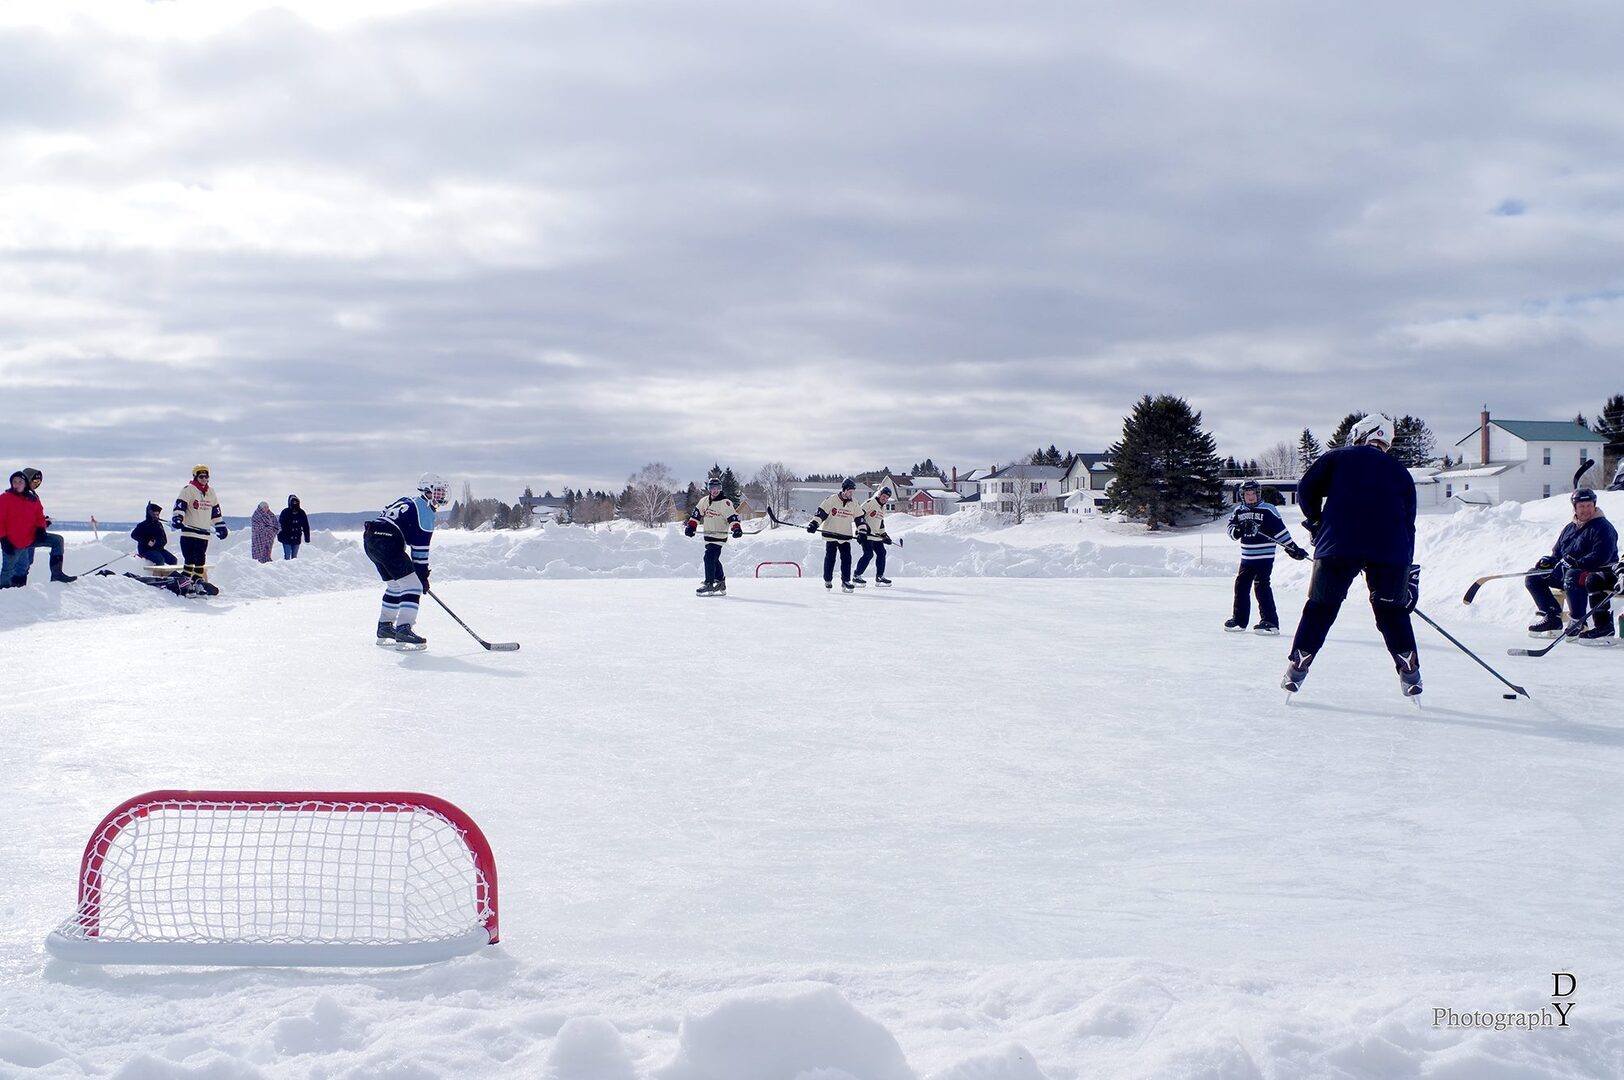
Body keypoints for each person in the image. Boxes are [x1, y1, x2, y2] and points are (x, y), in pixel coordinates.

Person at [1282, 414, 1422, 697]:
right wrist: (1409, 571)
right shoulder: (1401, 472)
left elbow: (1306, 488)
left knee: (1321, 607)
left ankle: (1299, 664)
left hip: (1339, 544)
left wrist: (1316, 521)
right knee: (1391, 612)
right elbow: (1409, 523)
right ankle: (1410, 672)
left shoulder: (1339, 456)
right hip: (1391, 550)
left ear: (1362, 434)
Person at [1524, 488, 1619, 645]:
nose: (1586, 510)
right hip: (1569, 572)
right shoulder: (1569, 528)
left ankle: (1578, 621)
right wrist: (1549, 562)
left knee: (1573, 575)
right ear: (1575, 507)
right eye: (1582, 506)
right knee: (1533, 577)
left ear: (1594, 505)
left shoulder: (1603, 527)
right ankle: (1552, 617)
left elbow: (1602, 556)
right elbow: (1558, 553)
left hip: (1595, 574)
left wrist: (1576, 563)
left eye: (1589, 505)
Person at [363, 473, 446, 647]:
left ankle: (385, 627)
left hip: (371, 538)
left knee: (395, 585)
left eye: (443, 491)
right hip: (387, 540)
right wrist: (422, 577)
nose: (442, 495)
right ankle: (403, 629)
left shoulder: (407, 500)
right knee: (413, 586)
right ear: (427, 490)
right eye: (438, 491)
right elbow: (420, 549)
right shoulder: (425, 511)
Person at [1224, 479, 1307, 633]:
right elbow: (1230, 530)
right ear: (1242, 496)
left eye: (1253, 494)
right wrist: (1239, 530)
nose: (1250, 497)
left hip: (1264, 558)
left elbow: (1280, 531)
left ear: (1258, 494)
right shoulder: (1239, 511)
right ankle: (1239, 620)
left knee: (1261, 586)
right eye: (1247, 494)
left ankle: (1270, 622)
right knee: (1241, 587)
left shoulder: (1268, 510)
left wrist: (1292, 547)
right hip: (1247, 559)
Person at [12, 468, 76, 584]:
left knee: (57, 541)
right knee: (22, 566)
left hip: (31, 535)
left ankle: (57, 574)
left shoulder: (34, 497)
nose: (37, 484)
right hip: (18, 538)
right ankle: (14, 589)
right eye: (34, 481)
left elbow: (37, 516)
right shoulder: (15, 497)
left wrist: (43, 524)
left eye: (39, 482)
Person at [685, 475, 741, 596]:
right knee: (714, 559)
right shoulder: (704, 501)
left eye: (717, 488)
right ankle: (720, 582)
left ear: (720, 489)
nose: (715, 491)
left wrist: (736, 528)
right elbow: (696, 515)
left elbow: (733, 517)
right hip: (709, 537)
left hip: (719, 536)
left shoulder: (725, 503)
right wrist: (691, 527)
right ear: (709, 489)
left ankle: (709, 583)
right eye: (712, 488)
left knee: (708, 557)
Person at [171, 465, 226, 582]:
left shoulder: (211, 492)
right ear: (195, 477)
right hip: (189, 533)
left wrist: (220, 525)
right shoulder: (189, 489)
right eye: (201, 476)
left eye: (206, 477)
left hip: (203, 534)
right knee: (189, 559)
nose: (204, 479)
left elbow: (215, 511)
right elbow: (180, 505)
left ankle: (197, 580)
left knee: (200, 559)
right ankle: (186, 580)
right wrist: (178, 517)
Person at [807, 477, 862, 592]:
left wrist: (862, 531)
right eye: (850, 491)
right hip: (831, 535)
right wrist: (814, 524)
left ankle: (845, 581)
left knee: (847, 559)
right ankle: (828, 580)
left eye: (853, 492)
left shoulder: (854, 503)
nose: (851, 494)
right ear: (844, 490)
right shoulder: (832, 500)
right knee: (830, 559)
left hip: (845, 536)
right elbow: (821, 513)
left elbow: (859, 518)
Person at [0, 471, 46, 588]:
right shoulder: (4, 498)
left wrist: (41, 528)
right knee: (8, 569)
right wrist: (3, 539)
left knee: (23, 567)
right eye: (14, 482)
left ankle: (19, 591)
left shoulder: (32, 499)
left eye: (20, 481)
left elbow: (39, 517)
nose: (17, 484)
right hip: (11, 543)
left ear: (25, 483)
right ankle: (3, 592)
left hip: (26, 542)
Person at [852, 484, 895, 587]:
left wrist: (884, 535)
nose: (885, 499)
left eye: (887, 497)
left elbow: (880, 522)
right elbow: (859, 515)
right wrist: (862, 530)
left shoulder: (883, 507)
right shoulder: (870, 502)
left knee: (882, 553)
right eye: (883, 496)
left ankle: (879, 577)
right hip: (865, 534)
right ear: (879, 494)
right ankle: (856, 576)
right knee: (868, 554)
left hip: (875, 535)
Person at [278, 495, 311, 559]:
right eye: (293, 502)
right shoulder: (285, 512)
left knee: (294, 558)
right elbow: (280, 525)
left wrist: (307, 538)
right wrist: (280, 535)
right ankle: (286, 565)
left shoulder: (301, 513)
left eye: (296, 502)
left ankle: (293, 566)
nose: (294, 503)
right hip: (286, 538)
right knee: (287, 556)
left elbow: (305, 526)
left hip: (296, 538)